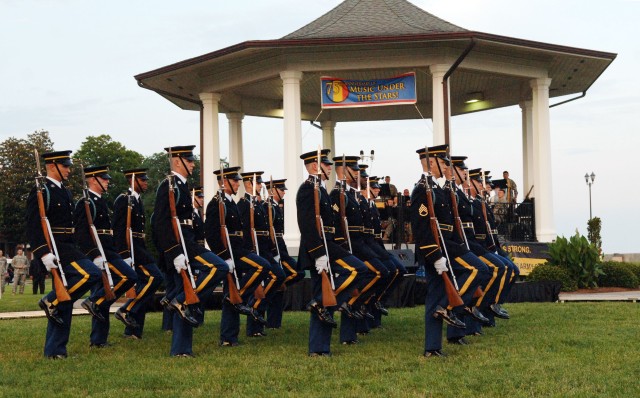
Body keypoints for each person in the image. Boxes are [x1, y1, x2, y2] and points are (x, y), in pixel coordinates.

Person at [153, 145, 229, 357]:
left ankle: (181, 348)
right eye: (190, 160)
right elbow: (160, 223)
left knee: (185, 291)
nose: (194, 163)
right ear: (178, 161)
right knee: (218, 267)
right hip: (180, 245)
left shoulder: (181, 186)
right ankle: (183, 302)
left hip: (188, 242)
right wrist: (174, 252)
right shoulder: (168, 186)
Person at [26, 150, 101, 359]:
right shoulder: (42, 190)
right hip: (55, 247)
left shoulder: (65, 191)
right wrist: (42, 252)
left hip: (69, 245)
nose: (69, 169)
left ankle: (56, 350)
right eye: (65, 166)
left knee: (65, 296)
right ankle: (52, 300)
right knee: (90, 274)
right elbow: (33, 225)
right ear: (52, 166)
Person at [296, 149, 367, 357]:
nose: (330, 168)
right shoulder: (308, 189)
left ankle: (320, 346)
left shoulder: (320, 189)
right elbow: (307, 225)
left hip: (329, 245)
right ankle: (319, 309)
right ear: (315, 166)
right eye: (326, 165)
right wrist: (318, 253)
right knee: (356, 270)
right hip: (318, 248)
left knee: (326, 292)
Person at [204, 166, 270, 347]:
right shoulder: (216, 203)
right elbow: (211, 234)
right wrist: (224, 257)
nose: (238, 183)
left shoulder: (230, 202)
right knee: (261, 266)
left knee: (231, 293)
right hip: (229, 253)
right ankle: (228, 336)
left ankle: (229, 336)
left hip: (239, 250)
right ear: (224, 182)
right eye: (234, 180)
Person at [74, 165, 138, 348]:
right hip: (100, 252)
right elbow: (82, 233)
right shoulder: (86, 202)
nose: (108, 181)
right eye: (104, 178)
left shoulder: (99, 201)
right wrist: (93, 254)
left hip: (108, 250)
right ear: (93, 180)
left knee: (105, 294)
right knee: (128, 277)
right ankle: (93, 303)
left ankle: (98, 339)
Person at [330, 156, 379, 345]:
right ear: (344, 171)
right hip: (348, 245)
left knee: (375, 275)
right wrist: (344, 246)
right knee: (357, 282)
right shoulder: (338, 194)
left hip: (359, 243)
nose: (359, 173)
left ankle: (353, 312)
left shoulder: (352, 194)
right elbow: (337, 223)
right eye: (355, 170)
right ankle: (347, 328)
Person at [112, 168, 164, 340]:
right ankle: (126, 309)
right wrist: (124, 254)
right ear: (133, 180)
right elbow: (119, 229)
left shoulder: (137, 200)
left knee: (145, 287)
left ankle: (133, 330)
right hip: (132, 247)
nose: (146, 183)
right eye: (142, 180)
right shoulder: (124, 200)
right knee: (155, 277)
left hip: (140, 246)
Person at [237, 171, 285, 338]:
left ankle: (257, 305)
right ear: (249, 184)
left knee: (279, 276)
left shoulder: (257, 204)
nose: (261, 186)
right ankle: (253, 323)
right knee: (258, 286)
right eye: (258, 183)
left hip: (264, 250)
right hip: (253, 249)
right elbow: (245, 230)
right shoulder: (244, 205)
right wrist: (250, 250)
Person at [264, 178, 305, 329]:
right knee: (296, 272)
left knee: (283, 285)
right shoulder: (268, 207)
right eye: (281, 190)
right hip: (275, 249)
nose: (283, 193)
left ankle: (274, 323)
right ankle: (277, 285)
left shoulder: (276, 207)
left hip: (281, 246)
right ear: (272, 190)